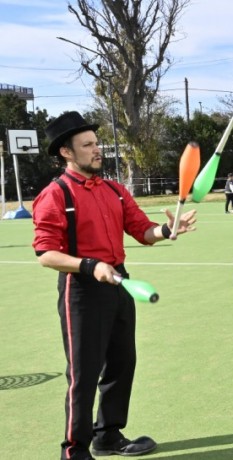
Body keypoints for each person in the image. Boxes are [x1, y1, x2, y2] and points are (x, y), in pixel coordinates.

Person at [32, 111, 197, 460]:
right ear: (66, 152)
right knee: (83, 373)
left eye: (97, 143)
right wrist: (90, 266)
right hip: (81, 288)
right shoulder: (55, 195)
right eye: (87, 145)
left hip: (119, 282)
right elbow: (46, 253)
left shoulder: (115, 190)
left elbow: (142, 230)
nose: (97, 150)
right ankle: (74, 451)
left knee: (122, 363)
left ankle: (107, 436)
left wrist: (167, 231)